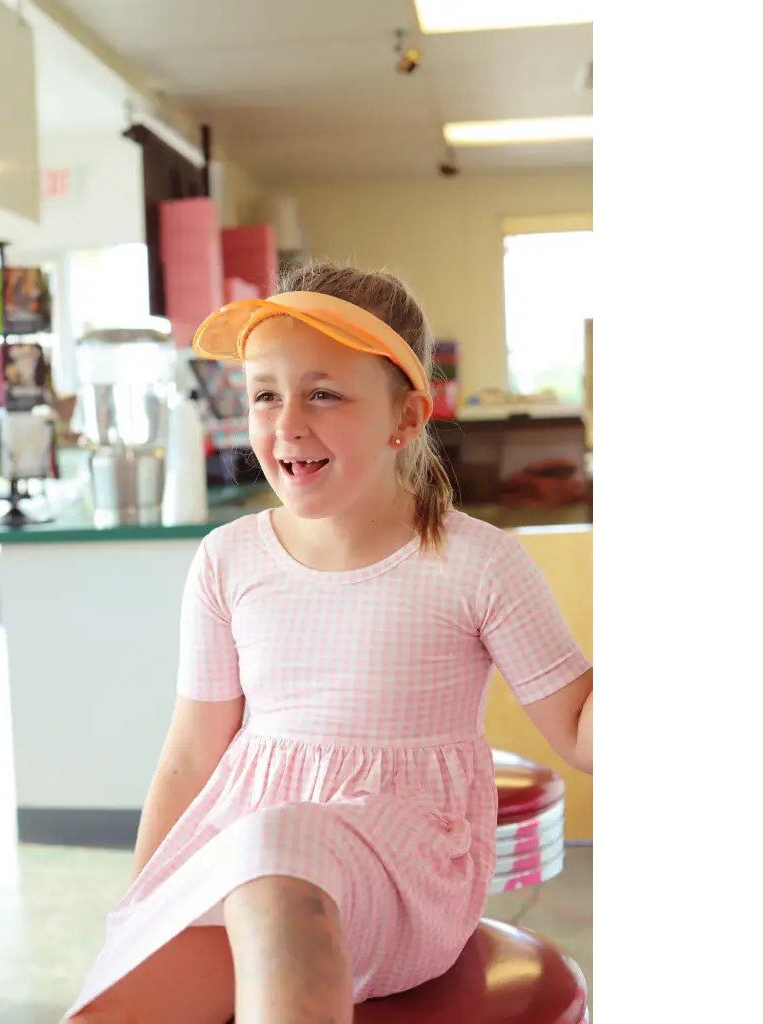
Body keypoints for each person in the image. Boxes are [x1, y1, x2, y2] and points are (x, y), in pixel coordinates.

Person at [63, 261, 595, 1024]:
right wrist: (144, 900)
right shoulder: (227, 558)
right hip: (250, 851)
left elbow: (577, 728)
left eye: (323, 394)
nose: (287, 423)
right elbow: (190, 753)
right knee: (113, 1005)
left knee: (279, 848)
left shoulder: (476, 562)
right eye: (265, 394)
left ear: (406, 418)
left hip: (406, 876)